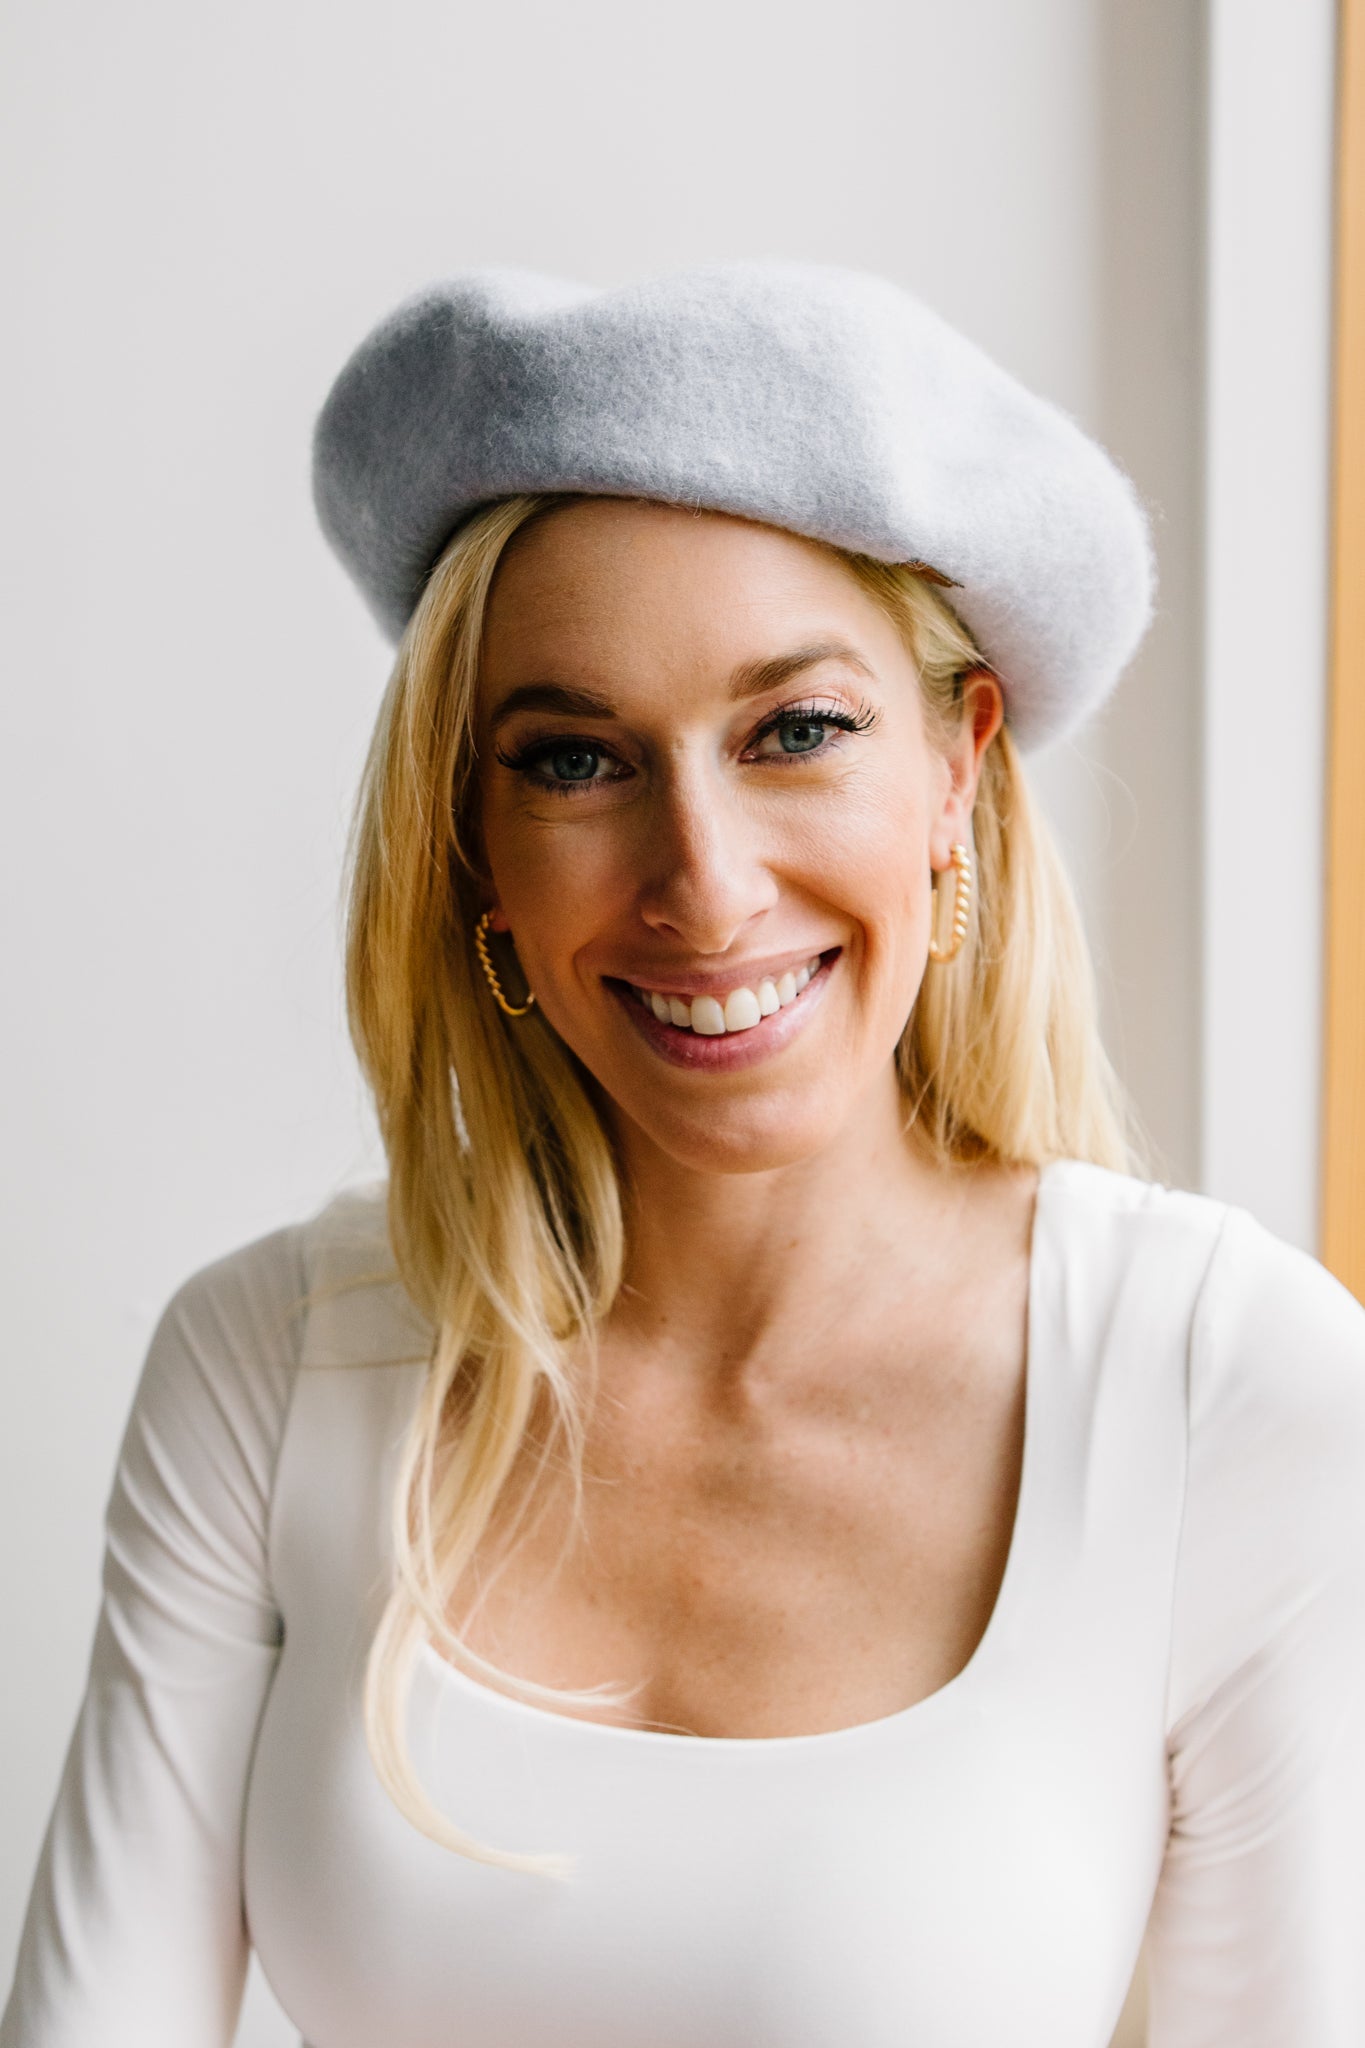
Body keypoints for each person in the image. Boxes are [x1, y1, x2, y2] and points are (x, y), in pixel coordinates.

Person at [3, 262, 1364, 2048]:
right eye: (575, 762)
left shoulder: (1224, 1383)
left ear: (955, 771)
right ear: (473, 844)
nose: (705, 889)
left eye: (796, 733)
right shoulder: (271, 1364)